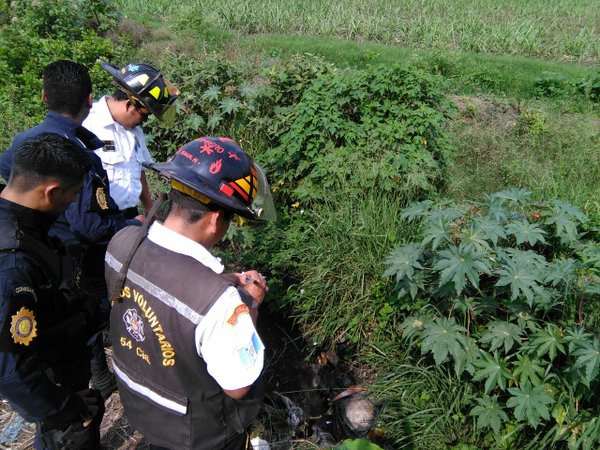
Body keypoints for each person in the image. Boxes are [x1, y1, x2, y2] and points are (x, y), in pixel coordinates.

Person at [105, 137, 275, 449]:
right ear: (214, 220)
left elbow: (163, 288)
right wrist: (249, 303)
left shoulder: (122, 243)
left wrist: (223, 280)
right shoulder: (220, 305)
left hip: (143, 407)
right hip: (198, 434)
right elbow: (237, 386)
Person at [0, 60, 145, 399]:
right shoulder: (79, 154)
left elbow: (11, 175)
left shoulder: (25, 141)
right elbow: (90, 224)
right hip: (72, 255)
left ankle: (91, 371)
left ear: (43, 96)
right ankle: (95, 374)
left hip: (41, 245)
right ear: (89, 100)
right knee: (80, 315)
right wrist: (131, 224)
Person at [0, 134, 103, 449]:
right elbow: (10, 370)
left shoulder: (23, 224)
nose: (74, 202)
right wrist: (67, 409)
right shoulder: (13, 263)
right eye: (73, 194)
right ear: (51, 192)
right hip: (55, 389)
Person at [82, 62, 180, 219]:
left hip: (129, 213)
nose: (144, 121)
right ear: (129, 105)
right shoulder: (89, 124)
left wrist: (148, 206)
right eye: (145, 116)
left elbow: (138, 168)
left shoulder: (135, 132)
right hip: (98, 216)